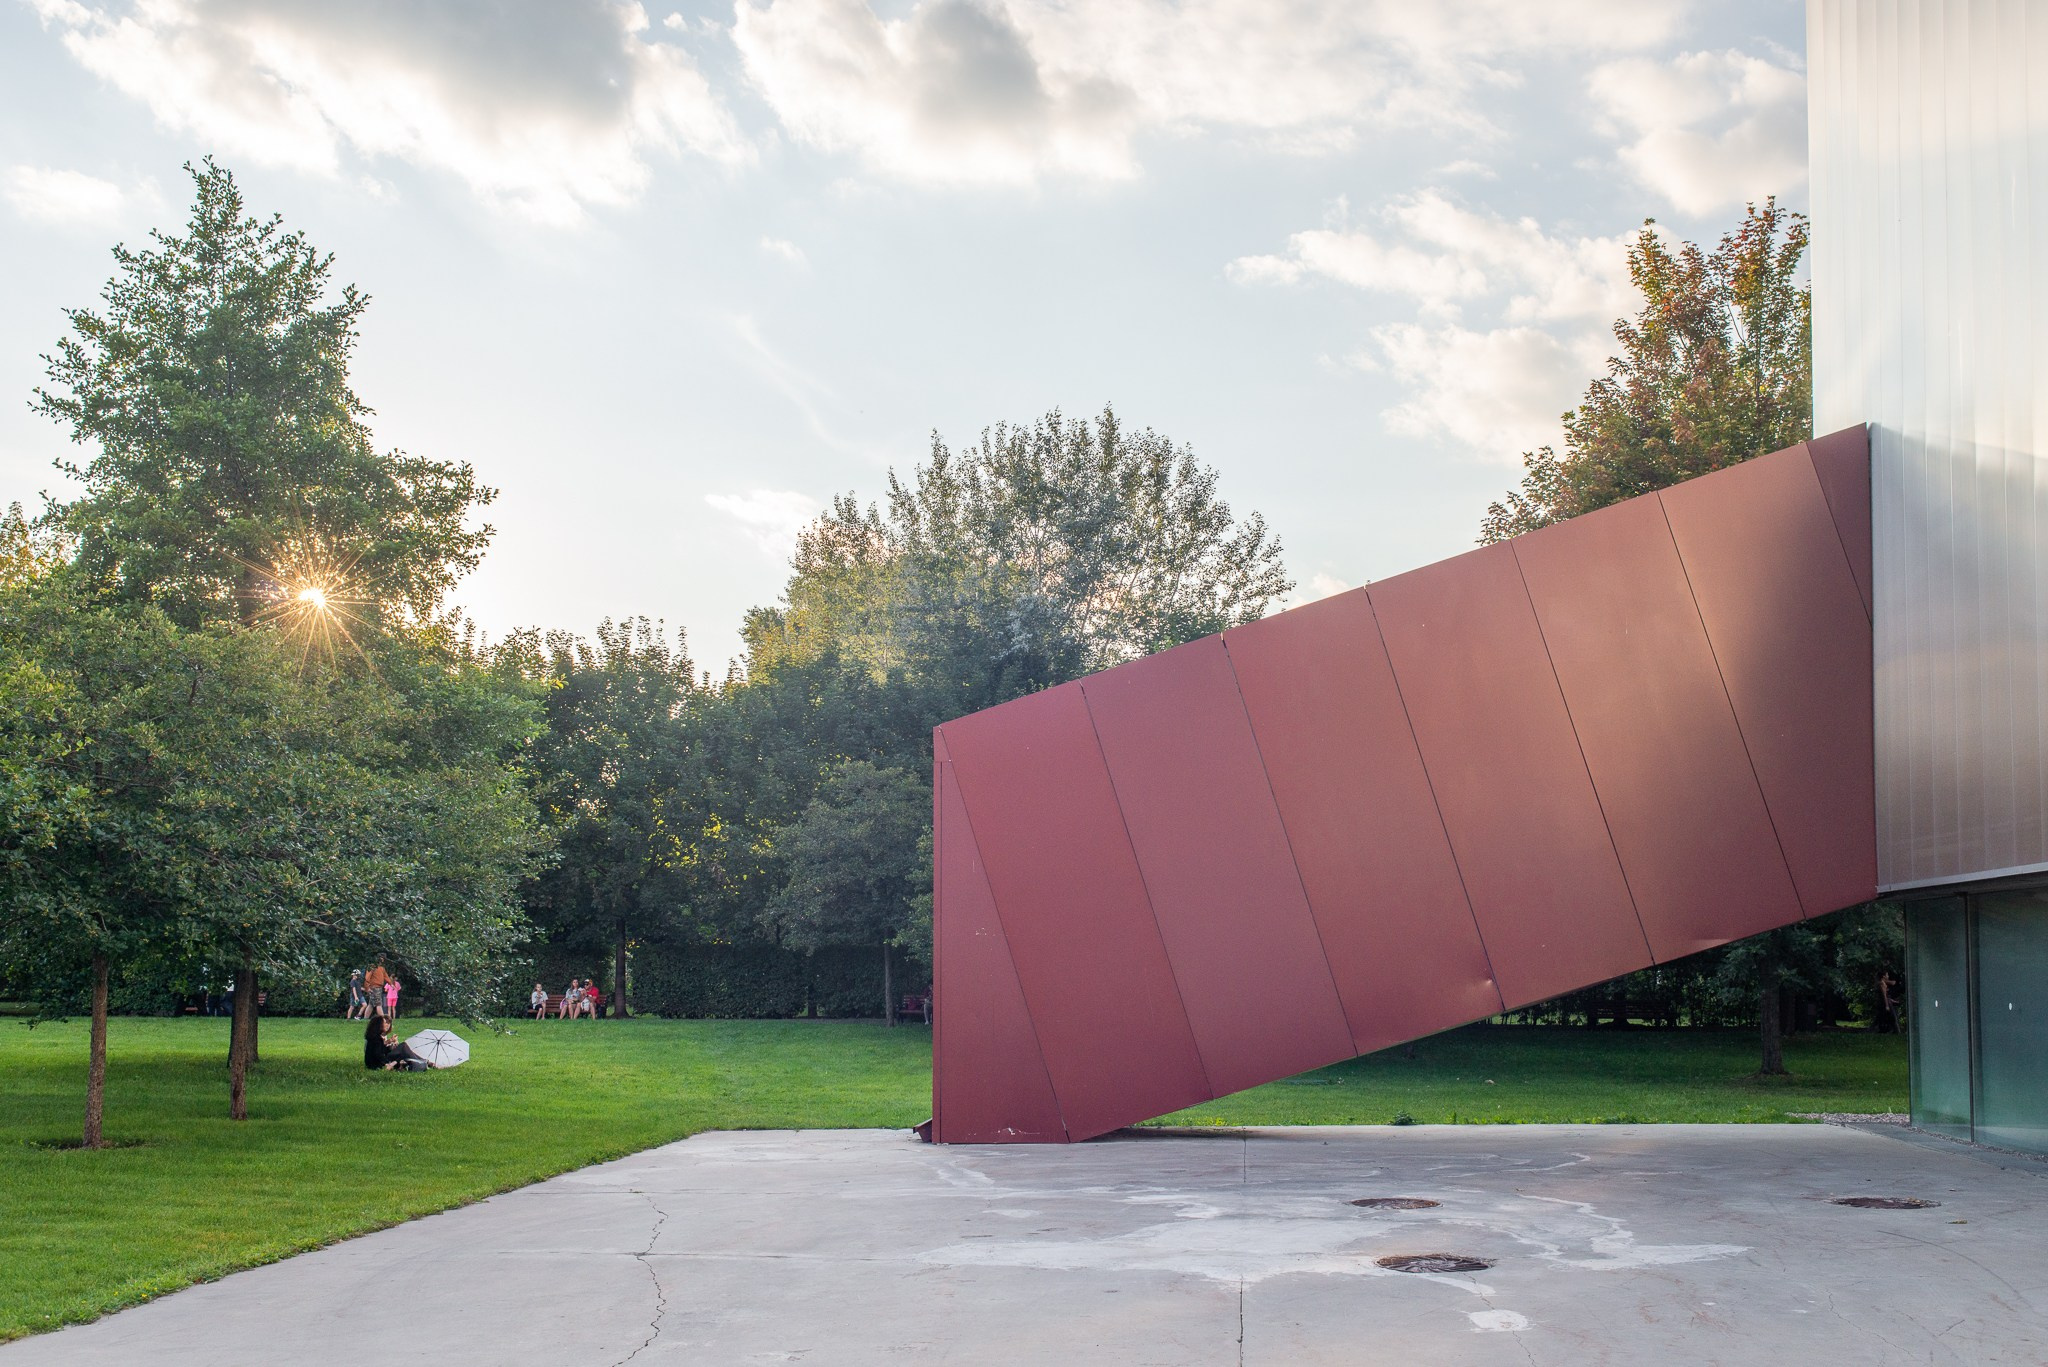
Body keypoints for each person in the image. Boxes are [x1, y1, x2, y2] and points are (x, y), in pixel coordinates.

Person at [363, 1014, 430, 1071]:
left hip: (376, 1062)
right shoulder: (375, 1039)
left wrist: (391, 1046)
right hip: (376, 1064)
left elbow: (381, 1050)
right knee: (403, 1047)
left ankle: (423, 1062)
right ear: (378, 1025)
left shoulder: (375, 1037)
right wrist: (389, 1063)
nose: (387, 1025)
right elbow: (378, 1055)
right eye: (384, 1023)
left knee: (403, 1050)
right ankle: (424, 1062)